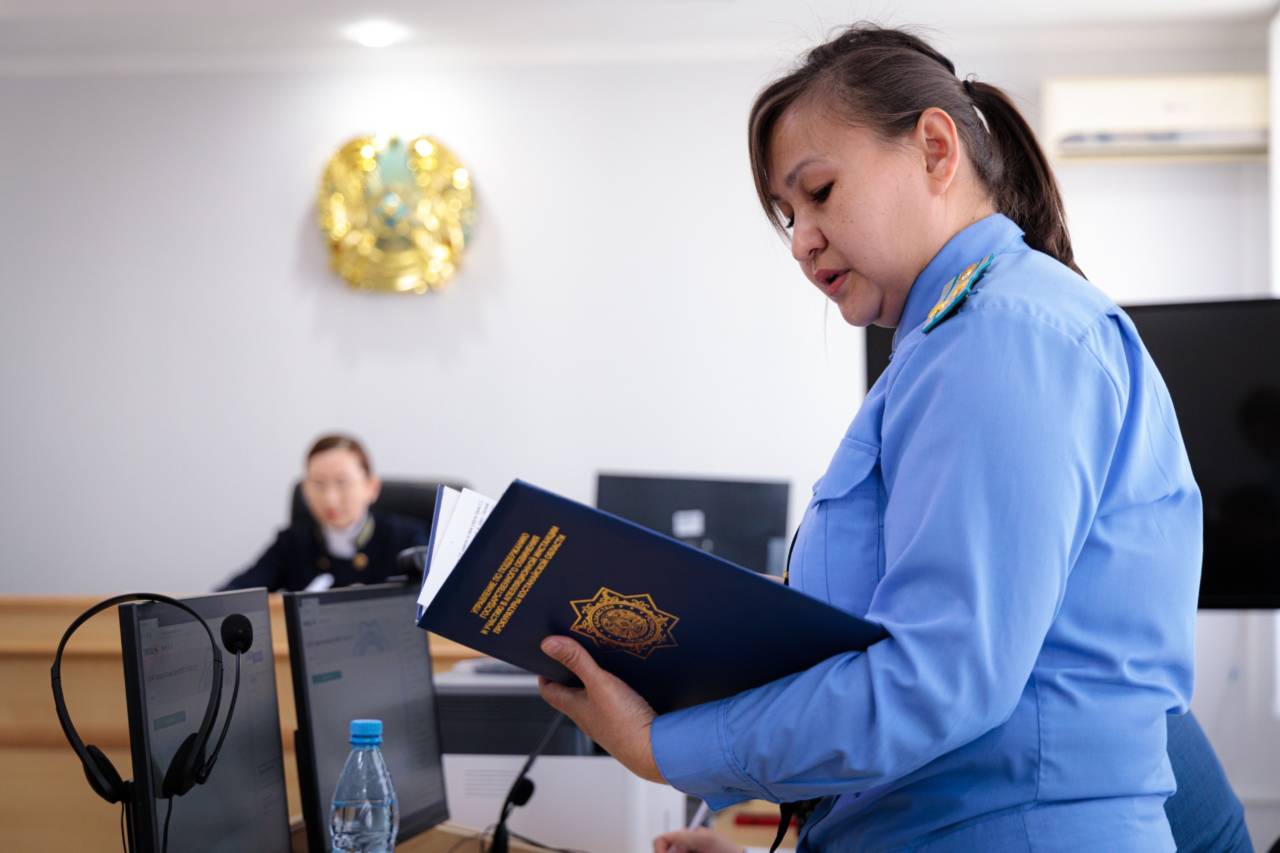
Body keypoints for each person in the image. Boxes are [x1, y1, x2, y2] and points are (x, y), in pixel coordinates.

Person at [534, 24, 1212, 852]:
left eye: (819, 192)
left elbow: (939, 679)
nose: (800, 240)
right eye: (788, 215)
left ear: (934, 149)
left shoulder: (1002, 334)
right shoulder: (948, 343)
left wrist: (663, 747)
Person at [221, 433, 428, 592]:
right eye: (318, 484)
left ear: (371, 488)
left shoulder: (406, 538)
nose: (330, 498)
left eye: (342, 482)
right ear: (305, 489)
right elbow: (236, 592)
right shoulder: (293, 542)